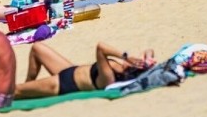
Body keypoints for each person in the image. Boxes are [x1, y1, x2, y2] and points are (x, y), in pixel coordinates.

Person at [15, 42, 154, 98]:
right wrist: (147, 60)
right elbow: (149, 50)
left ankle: (25, 91)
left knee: (16, 89)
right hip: (71, 69)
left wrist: (126, 56)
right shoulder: (125, 67)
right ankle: (29, 86)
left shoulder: (110, 78)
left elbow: (100, 48)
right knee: (37, 48)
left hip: (63, 84)